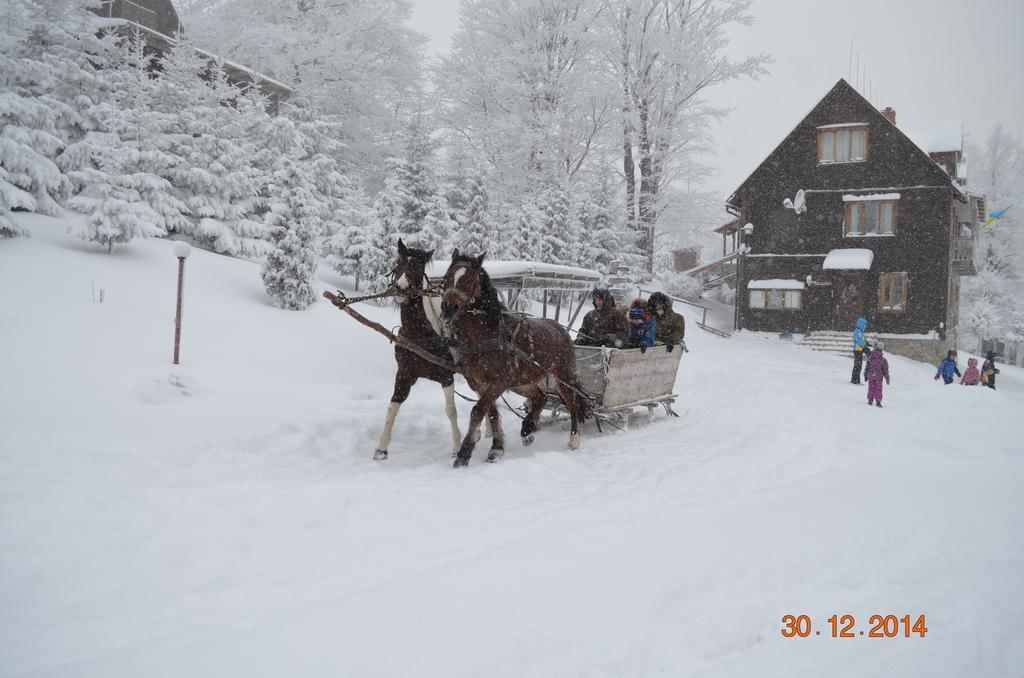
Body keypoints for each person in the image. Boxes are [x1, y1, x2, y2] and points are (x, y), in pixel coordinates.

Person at [864, 340, 890, 407]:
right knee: (878, 389)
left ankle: (870, 400)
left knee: (871, 388)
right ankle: (878, 401)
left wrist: (866, 374)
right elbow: (885, 369)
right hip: (878, 377)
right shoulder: (883, 359)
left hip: (871, 376)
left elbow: (867, 367)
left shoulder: (870, 358)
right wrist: (887, 377)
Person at [851, 317, 870, 384]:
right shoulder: (857, 332)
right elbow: (859, 341)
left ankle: (857, 379)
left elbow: (863, 340)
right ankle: (854, 380)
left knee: (859, 365)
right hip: (857, 350)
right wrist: (865, 347)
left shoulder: (860, 332)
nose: (865, 327)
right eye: (864, 325)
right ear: (861, 325)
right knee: (857, 365)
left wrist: (867, 344)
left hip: (860, 349)